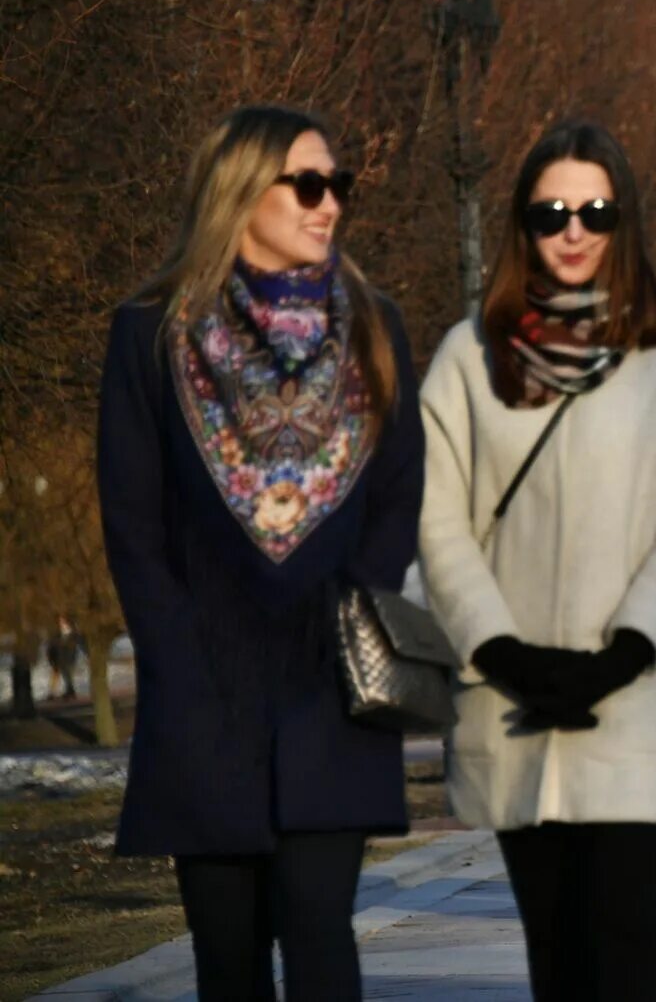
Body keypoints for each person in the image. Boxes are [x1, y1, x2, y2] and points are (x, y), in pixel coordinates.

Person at [97, 105, 425, 1001]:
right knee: (226, 956)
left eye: (338, 187)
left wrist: (357, 626)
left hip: (332, 691)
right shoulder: (150, 334)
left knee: (322, 936)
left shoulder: (375, 329)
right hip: (203, 697)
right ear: (242, 193)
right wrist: (174, 661)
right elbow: (132, 521)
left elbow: (399, 495)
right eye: (309, 185)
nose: (330, 207)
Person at [418, 119, 656, 1002]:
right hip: (511, 701)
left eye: (595, 210)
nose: (572, 229)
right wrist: (502, 650)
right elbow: (437, 521)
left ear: (622, 220)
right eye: (550, 210)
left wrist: (627, 650)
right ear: (522, 220)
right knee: (553, 954)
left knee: (625, 942)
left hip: (629, 702)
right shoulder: (467, 357)